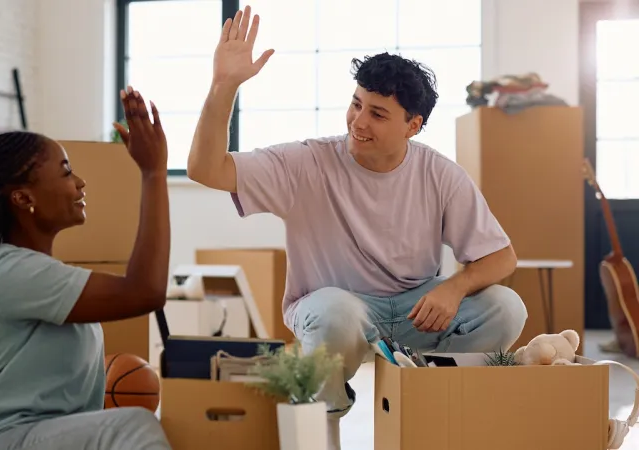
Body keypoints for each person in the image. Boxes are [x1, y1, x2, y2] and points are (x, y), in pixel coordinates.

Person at [187, 6, 528, 448]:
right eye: (356, 104)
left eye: (378, 114)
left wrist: (454, 287)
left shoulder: (440, 174)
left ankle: (434, 391)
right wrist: (224, 86)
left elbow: (502, 257)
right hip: (335, 308)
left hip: (414, 311)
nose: (358, 122)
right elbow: (204, 168)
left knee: (506, 307)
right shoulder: (306, 162)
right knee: (336, 311)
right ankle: (325, 424)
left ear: (413, 125)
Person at [0, 87, 173, 450]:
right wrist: (153, 174)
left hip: (30, 438)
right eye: (67, 172)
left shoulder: (22, 268)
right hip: (4, 442)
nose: (80, 183)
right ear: (23, 198)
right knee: (132, 426)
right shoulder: (11, 272)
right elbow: (144, 291)